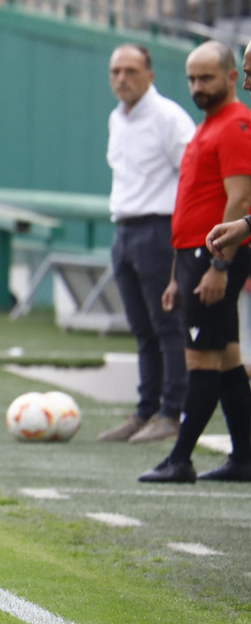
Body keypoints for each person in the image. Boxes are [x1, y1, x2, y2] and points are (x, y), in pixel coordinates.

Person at [138, 41, 251, 484]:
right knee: (224, 359)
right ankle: (244, 457)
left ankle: (180, 458)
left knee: (202, 358)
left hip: (212, 256)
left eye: (207, 77)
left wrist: (218, 267)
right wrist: (174, 275)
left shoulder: (237, 124)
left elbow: (239, 197)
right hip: (193, 255)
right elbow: (191, 205)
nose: (197, 86)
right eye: (191, 78)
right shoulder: (208, 126)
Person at [99, 43, 196, 445]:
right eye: (116, 71)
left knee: (168, 325)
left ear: (150, 75)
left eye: (131, 71)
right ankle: (144, 410)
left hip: (159, 229)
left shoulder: (168, 117)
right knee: (141, 328)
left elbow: (192, 176)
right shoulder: (116, 119)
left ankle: (171, 413)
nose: (122, 78)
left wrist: (181, 240)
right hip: (124, 228)